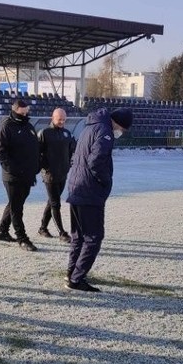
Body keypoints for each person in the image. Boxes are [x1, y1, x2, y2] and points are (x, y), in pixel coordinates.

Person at [65, 107, 132, 292]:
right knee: (94, 237)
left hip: (76, 186)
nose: (121, 133)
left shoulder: (89, 127)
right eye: (123, 129)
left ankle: (71, 272)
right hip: (89, 191)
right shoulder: (105, 132)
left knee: (78, 236)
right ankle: (77, 279)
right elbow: (96, 161)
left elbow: (76, 158)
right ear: (118, 124)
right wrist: (105, 181)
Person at [0, 99, 41, 251]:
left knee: (15, 204)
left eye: (27, 112)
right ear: (15, 111)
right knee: (17, 207)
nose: (25, 115)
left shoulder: (28, 126)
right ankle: (22, 238)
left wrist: (35, 167)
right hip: (12, 176)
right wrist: (13, 170)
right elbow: (0, 153)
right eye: (22, 113)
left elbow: (34, 148)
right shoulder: (6, 126)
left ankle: (2, 231)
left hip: (27, 175)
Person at [37, 107, 76, 243]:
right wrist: (44, 166)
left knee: (52, 201)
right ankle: (62, 232)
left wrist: (68, 165)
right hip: (49, 174)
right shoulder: (44, 133)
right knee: (55, 203)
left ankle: (43, 228)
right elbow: (37, 153)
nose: (62, 122)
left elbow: (71, 151)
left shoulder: (67, 133)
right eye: (59, 119)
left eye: (64, 120)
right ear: (52, 118)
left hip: (63, 173)